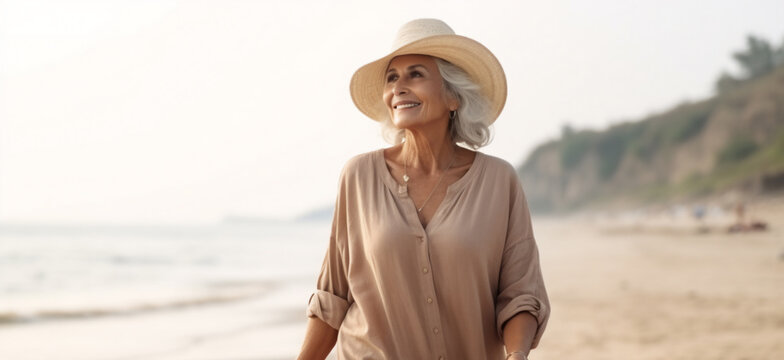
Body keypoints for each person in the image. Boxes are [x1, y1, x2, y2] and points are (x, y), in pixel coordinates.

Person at [298, 19, 550, 360]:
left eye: (415, 74)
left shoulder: (499, 182)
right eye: (392, 77)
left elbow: (520, 294)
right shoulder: (359, 176)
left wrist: (517, 354)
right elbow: (333, 297)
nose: (398, 88)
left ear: (453, 97)